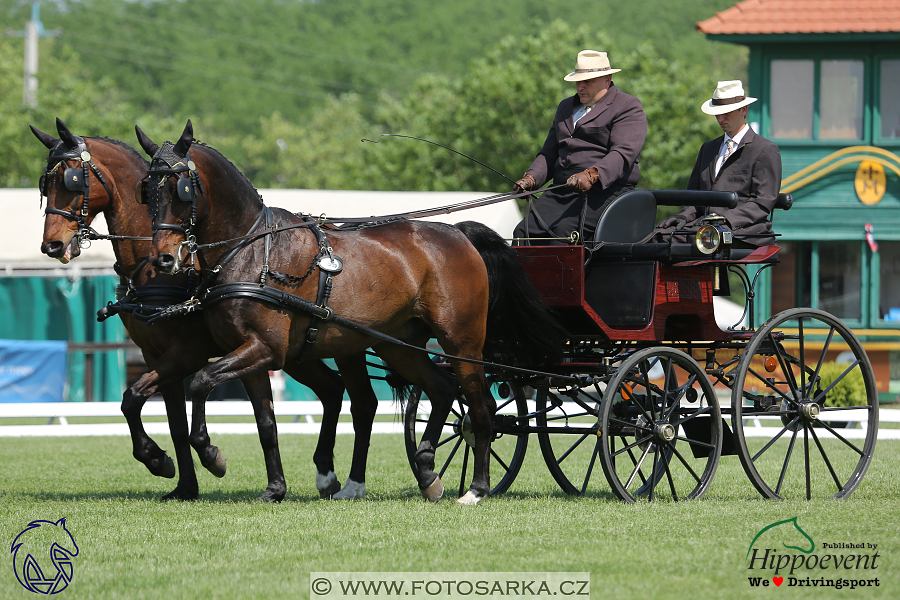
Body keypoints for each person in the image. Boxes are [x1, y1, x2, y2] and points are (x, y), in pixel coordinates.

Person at [512, 50, 647, 245]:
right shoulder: (565, 107)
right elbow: (549, 153)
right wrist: (531, 178)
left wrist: (592, 175)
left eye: (588, 81)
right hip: (561, 188)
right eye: (578, 81)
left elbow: (623, 153)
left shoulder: (628, 106)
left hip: (605, 191)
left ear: (607, 79)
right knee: (523, 233)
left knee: (563, 234)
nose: (581, 87)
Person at [655, 80, 782, 248]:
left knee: (699, 239)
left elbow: (762, 202)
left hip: (744, 230)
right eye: (717, 113)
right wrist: (683, 217)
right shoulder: (708, 149)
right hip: (705, 228)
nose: (720, 118)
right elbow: (694, 196)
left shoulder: (764, 149)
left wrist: (725, 220)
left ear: (743, 110)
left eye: (726, 113)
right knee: (657, 236)